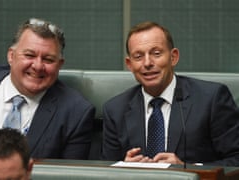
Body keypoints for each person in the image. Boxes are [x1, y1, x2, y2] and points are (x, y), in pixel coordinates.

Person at [0, 18, 95, 159]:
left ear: (59, 65)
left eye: (48, 59)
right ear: (11, 56)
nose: (38, 66)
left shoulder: (75, 112)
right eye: (29, 55)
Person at [101, 21, 239, 166]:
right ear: (129, 65)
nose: (147, 63)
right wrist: (123, 168)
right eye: (138, 56)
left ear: (173, 57)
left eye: (156, 53)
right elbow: (105, 170)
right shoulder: (115, 110)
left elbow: (236, 159)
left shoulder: (211, 99)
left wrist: (188, 170)